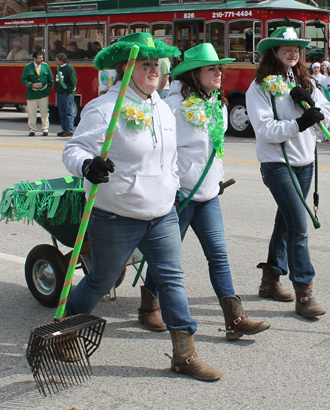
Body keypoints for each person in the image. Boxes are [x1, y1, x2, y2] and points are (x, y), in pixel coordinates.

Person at [62, 32, 222, 382]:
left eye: (156, 64)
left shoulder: (162, 106)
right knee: (101, 280)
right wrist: (88, 166)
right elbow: (73, 150)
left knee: (172, 280)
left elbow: (172, 158)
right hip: (117, 215)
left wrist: (175, 187)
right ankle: (68, 327)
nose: (152, 70)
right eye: (144, 64)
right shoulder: (104, 107)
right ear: (125, 68)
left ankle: (185, 353)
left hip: (162, 213)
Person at [140, 43, 270, 340]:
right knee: (167, 260)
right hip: (181, 197)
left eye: (219, 67)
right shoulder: (173, 108)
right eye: (212, 68)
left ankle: (235, 319)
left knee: (219, 256)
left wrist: (216, 179)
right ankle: (148, 307)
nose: (219, 73)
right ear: (194, 74)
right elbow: (162, 153)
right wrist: (173, 186)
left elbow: (215, 150)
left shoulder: (219, 105)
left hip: (208, 195)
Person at [245, 27, 330, 318]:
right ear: (274, 52)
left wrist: (314, 109)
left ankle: (270, 278)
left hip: (305, 163)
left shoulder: (306, 81)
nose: (293, 52)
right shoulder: (258, 88)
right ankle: (304, 292)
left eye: (296, 48)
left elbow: (327, 111)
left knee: (285, 223)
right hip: (277, 164)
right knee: (299, 227)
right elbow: (266, 130)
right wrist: (301, 122)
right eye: (286, 47)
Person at [20, 51, 54, 136]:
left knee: (44, 112)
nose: (41, 60)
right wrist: (32, 85)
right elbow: (23, 80)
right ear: (34, 58)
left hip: (43, 93)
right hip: (32, 93)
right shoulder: (28, 67)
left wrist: (47, 91)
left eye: (42, 58)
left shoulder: (46, 67)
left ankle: (45, 129)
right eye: (39, 58)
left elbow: (51, 80)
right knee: (32, 113)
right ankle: (32, 130)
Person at [55, 53, 77, 137]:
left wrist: (68, 91)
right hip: (60, 93)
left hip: (66, 93)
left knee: (69, 112)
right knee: (62, 112)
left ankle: (69, 130)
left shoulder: (69, 69)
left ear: (61, 60)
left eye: (57, 59)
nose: (55, 61)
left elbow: (73, 81)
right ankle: (64, 129)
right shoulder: (57, 68)